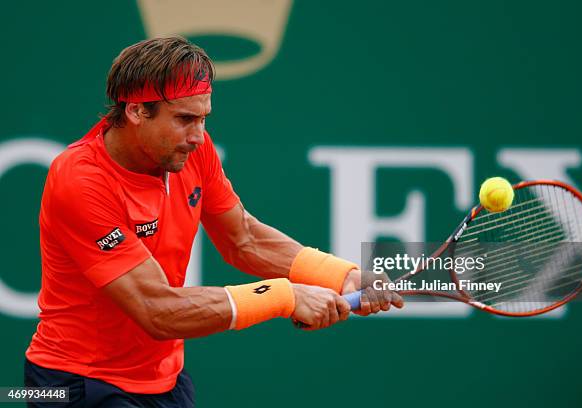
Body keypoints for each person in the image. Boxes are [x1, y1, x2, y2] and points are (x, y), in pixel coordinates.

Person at [24, 36, 403, 407]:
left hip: (164, 381)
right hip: (75, 383)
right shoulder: (80, 179)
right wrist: (285, 296)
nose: (198, 136)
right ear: (136, 111)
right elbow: (156, 309)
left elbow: (244, 239)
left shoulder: (193, 150)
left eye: (203, 118)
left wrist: (342, 275)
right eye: (185, 119)